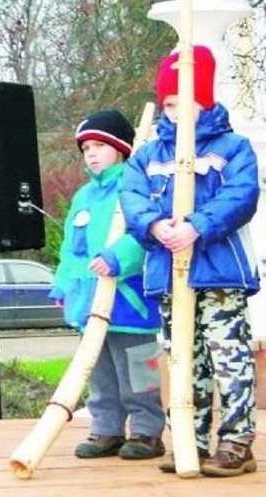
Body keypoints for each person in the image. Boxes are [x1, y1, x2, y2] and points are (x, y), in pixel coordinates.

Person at [120, 45, 260, 477]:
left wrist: (197, 225)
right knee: (184, 357)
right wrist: (155, 226)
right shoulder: (148, 154)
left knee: (227, 355)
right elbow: (133, 196)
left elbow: (241, 195)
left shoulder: (232, 147)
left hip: (218, 273)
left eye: (188, 102)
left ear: (207, 100)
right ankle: (191, 438)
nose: (179, 112)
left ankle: (237, 440)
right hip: (170, 275)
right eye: (170, 104)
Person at [49, 110, 165, 461]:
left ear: (121, 149)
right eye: (86, 149)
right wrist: (63, 285)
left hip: (128, 298)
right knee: (98, 371)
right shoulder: (84, 197)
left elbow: (145, 236)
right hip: (90, 301)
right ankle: (106, 429)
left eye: (100, 145)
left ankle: (147, 431)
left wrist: (117, 258)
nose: (92, 154)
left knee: (137, 368)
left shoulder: (137, 187)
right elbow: (72, 247)